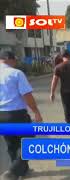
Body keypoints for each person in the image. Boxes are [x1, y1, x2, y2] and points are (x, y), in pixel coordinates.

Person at [0, 51, 43, 180]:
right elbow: (27, 95)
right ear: (8, 59)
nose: (16, 62)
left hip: (1, 115)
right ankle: (12, 172)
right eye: (15, 60)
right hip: (16, 114)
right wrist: (36, 112)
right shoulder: (16, 73)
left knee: (12, 144)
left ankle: (21, 171)